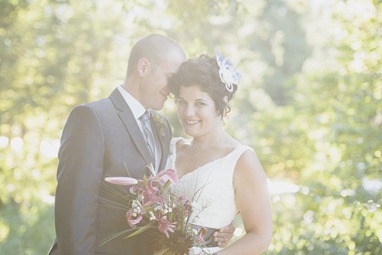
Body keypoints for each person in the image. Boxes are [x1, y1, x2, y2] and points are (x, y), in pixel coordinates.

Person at [48, 34, 234, 255]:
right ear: (144, 67)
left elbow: (167, 203)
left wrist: (214, 230)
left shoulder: (162, 128)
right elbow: (73, 215)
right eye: (171, 77)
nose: (175, 90)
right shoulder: (92, 118)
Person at [167, 54, 273, 255]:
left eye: (200, 103)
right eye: (182, 102)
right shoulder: (170, 148)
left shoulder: (240, 159)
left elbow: (260, 235)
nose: (188, 112)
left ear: (221, 103)